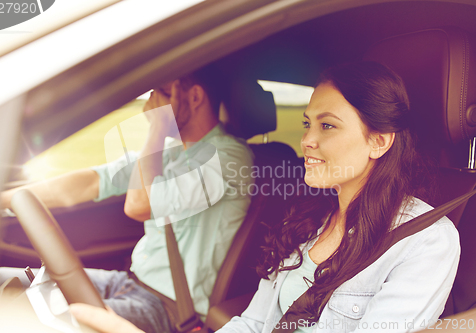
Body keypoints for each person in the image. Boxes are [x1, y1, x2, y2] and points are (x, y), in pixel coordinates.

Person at [68, 61, 460, 333]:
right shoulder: (311, 222)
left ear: (378, 140)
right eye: (307, 124)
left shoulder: (425, 242)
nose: (307, 139)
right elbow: (253, 323)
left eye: (327, 125)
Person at [0, 67, 254, 333]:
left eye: (161, 93)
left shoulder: (228, 159)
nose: (150, 105)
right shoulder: (173, 154)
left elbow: (139, 204)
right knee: (1, 282)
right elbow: (92, 181)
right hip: (130, 281)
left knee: (29, 319)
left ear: (195, 97)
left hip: (170, 309)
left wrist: (159, 125)